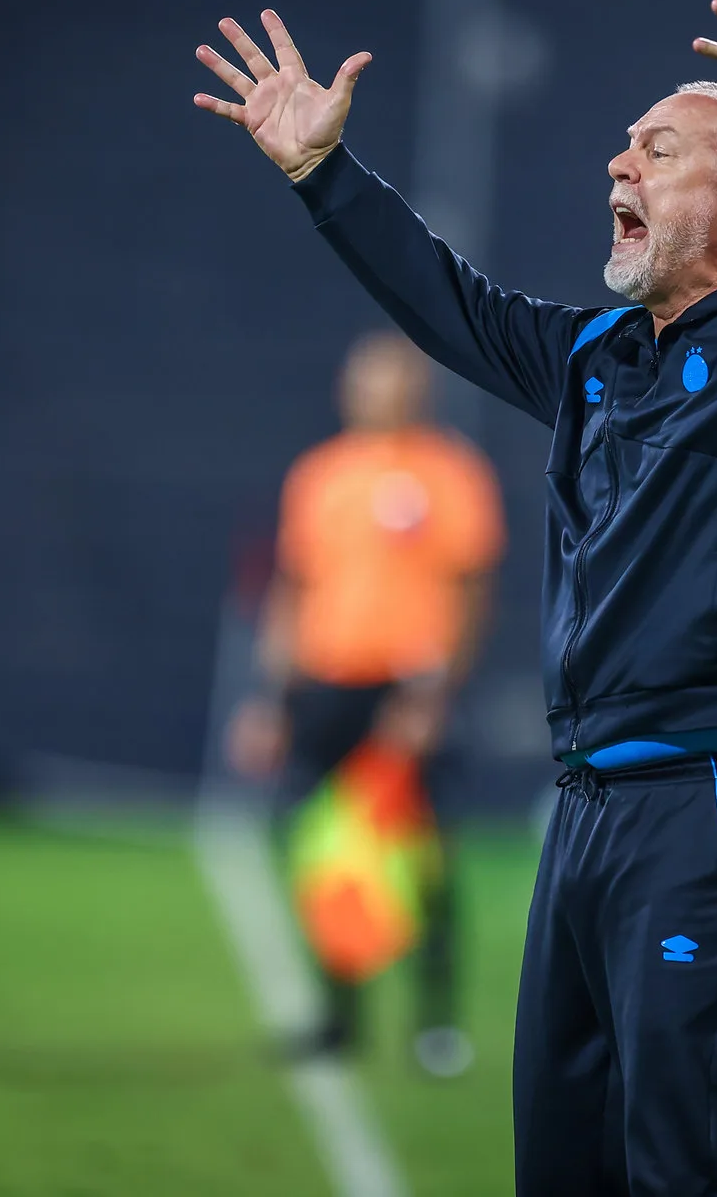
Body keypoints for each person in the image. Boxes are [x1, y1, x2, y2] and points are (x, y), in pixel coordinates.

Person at [193, 0, 717, 1195]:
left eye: (657, 149)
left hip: (712, 800)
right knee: (561, 1176)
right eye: (623, 142)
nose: (618, 161)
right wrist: (321, 173)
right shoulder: (597, 355)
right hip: (589, 809)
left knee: (685, 1175)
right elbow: (445, 301)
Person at [226, 331, 504, 1076]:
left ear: (420, 389)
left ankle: (435, 1023)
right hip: (326, 685)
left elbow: (470, 591)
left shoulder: (451, 473)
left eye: (392, 379)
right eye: (366, 379)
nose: (376, 391)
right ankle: (337, 1016)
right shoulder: (319, 475)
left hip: (406, 690)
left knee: (426, 861)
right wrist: (270, 702)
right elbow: (293, 589)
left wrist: (436, 695)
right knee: (326, 858)